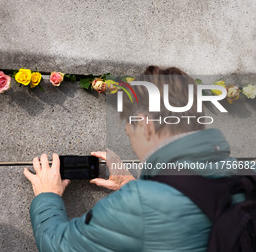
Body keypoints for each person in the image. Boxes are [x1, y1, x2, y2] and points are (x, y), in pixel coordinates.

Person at [23, 66, 239, 251]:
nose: (127, 129)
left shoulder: (139, 205)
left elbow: (60, 246)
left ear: (145, 124)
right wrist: (134, 184)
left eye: (128, 122)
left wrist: (47, 196)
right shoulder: (240, 175)